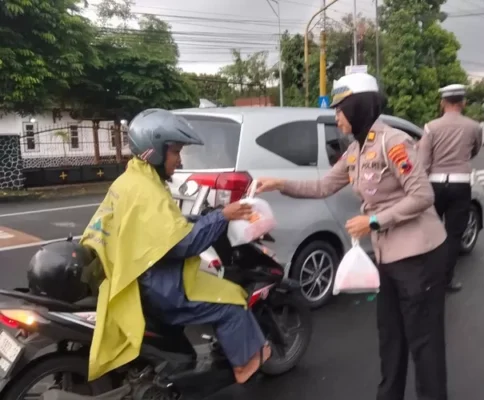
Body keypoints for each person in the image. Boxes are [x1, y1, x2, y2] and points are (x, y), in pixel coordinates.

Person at [255, 73, 449, 400]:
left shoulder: (394, 143)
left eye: (340, 110)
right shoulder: (357, 150)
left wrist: (373, 221)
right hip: (388, 257)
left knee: (424, 342)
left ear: (358, 107)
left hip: (420, 256)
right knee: (391, 337)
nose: (336, 117)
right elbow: (323, 186)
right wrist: (279, 183)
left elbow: (423, 196)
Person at [81, 108, 270, 384]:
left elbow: (160, 226)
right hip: (161, 287)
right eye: (176, 152)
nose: (179, 161)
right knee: (232, 299)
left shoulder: (132, 180)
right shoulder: (147, 191)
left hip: (135, 277)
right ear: (156, 151)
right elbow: (184, 244)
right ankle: (243, 367)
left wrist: (201, 217)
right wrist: (222, 216)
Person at [418, 84, 482, 293]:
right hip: (461, 183)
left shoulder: (431, 127)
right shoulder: (473, 127)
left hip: (435, 184)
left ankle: (428, 277)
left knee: (431, 231)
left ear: (443, 103)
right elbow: (475, 150)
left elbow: (423, 161)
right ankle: (447, 280)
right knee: (454, 234)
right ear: (463, 103)